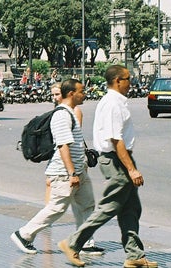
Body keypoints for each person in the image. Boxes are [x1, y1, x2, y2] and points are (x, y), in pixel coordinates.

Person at [58, 65, 158, 268]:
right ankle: (73, 243)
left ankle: (134, 255)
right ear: (118, 80)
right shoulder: (113, 103)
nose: (131, 82)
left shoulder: (115, 102)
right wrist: (131, 169)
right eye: (128, 78)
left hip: (119, 158)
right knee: (109, 206)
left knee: (130, 208)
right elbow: (115, 139)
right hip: (116, 160)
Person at [10, 79, 103, 255]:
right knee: (56, 208)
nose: (85, 94)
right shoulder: (62, 115)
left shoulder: (72, 112)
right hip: (64, 173)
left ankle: (84, 243)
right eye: (81, 91)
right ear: (71, 94)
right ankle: (24, 234)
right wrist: (71, 173)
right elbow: (63, 146)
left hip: (78, 170)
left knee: (87, 205)